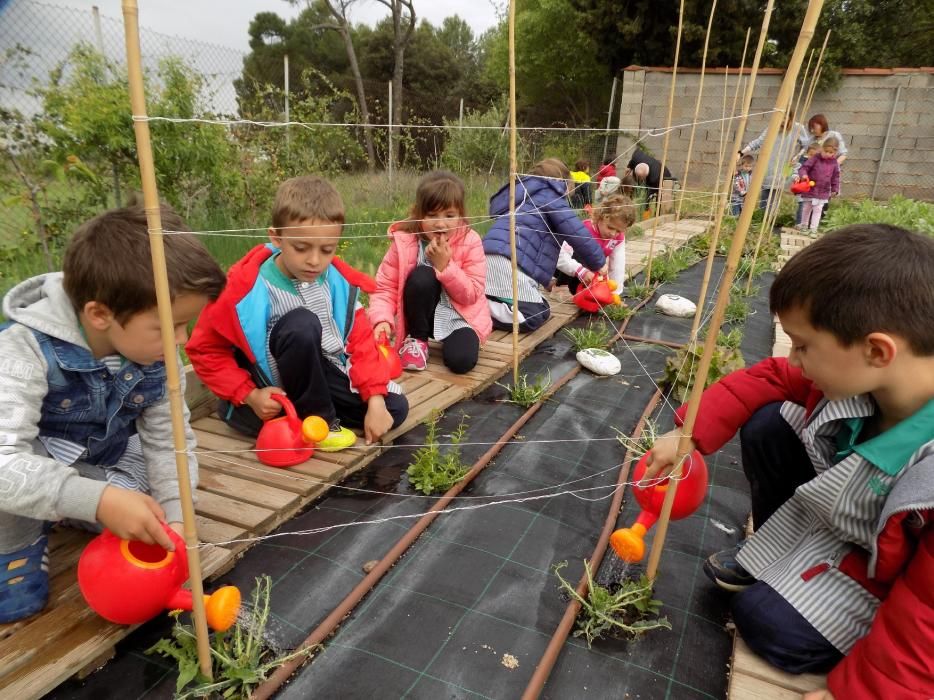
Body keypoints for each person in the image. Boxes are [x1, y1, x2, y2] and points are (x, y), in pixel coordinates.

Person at [644, 225, 934, 699]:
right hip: (849, 520)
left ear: (877, 350)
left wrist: (857, 693)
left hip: (891, 579)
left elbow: (926, 612)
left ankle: (816, 592)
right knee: (770, 423)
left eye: (802, 345)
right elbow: (771, 376)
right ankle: (783, 554)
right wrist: (689, 433)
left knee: (765, 622)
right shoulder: (869, 380)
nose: (793, 359)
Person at [0, 202, 226, 623]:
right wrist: (101, 500)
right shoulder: (23, 351)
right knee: (11, 481)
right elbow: (3, 459)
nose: (180, 340)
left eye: (186, 324)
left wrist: (178, 518)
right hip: (31, 462)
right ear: (100, 314)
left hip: (101, 461)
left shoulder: (156, 355)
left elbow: (169, 442)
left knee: (153, 503)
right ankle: (17, 543)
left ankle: (71, 505)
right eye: (166, 327)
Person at [187, 176, 409, 450]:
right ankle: (320, 423)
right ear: (276, 237)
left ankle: (304, 419)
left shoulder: (338, 283)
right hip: (270, 386)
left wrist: (375, 400)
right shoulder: (243, 288)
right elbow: (204, 349)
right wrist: (250, 395)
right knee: (301, 323)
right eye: (301, 248)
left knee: (395, 408)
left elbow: (361, 343)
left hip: (319, 376)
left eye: (327, 250)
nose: (315, 260)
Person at [368, 171, 491, 375]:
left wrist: (445, 266)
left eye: (449, 216)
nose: (441, 223)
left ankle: (449, 339)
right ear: (419, 214)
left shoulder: (471, 240)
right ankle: (417, 340)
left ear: (461, 216)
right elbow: (384, 287)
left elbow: (471, 295)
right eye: (432, 215)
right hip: (419, 316)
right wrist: (381, 319)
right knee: (422, 276)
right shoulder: (405, 242)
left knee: (461, 361)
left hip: (459, 315)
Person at [483, 158, 606, 332]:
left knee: (541, 309)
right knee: (534, 316)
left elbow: (534, 247)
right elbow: (576, 232)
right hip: (504, 261)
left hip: (495, 257)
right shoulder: (549, 197)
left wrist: (547, 280)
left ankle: (487, 301)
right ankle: (481, 309)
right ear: (562, 182)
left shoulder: (522, 197)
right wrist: (599, 262)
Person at [555, 193, 635, 296]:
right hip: (565, 268)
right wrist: (581, 271)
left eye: (619, 231)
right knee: (583, 251)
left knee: (595, 294)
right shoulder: (583, 230)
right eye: (610, 227)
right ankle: (559, 287)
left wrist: (615, 293)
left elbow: (617, 266)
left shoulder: (618, 238)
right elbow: (561, 258)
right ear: (600, 217)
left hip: (588, 273)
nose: (613, 233)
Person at [740, 111, 810, 217]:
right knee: (766, 191)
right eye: (781, 118)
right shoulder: (772, 128)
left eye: (785, 118)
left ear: (791, 118)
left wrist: (797, 156)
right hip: (769, 164)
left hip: (786, 165)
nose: (782, 121)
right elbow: (758, 142)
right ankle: (761, 218)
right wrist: (741, 152)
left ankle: (770, 218)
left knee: (776, 192)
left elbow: (806, 145)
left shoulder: (797, 128)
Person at [807, 114, 849, 223]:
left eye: (814, 127)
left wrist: (832, 166)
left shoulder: (834, 136)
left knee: (823, 200)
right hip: (814, 176)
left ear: (822, 124)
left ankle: (817, 223)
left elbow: (843, 154)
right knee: (810, 200)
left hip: (827, 176)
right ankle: (808, 223)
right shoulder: (812, 139)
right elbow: (806, 154)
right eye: (811, 128)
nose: (812, 130)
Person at [797, 137, 841, 236]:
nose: (828, 154)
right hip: (811, 188)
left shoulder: (834, 163)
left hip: (823, 191)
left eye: (831, 152)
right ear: (822, 148)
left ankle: (813, 229)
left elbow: (835, 177)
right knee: (807, 208)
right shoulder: (815, 158)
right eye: (826, 151)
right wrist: (804, 175)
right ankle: (804, 225)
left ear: (835, 152)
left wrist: (835, 189)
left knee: (818, 210)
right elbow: (804, 168)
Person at [794, 141, 821, 228]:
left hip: (814, 192)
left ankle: (809, 225)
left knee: (813, 208)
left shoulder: (820, 166)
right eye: (810, 155)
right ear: (807, 154)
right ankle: (800, 223)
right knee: (802, 205)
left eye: (815, 156)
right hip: (803, 190)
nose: (812, 158)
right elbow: (796, 171)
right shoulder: (803, 164)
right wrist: (796, 177)